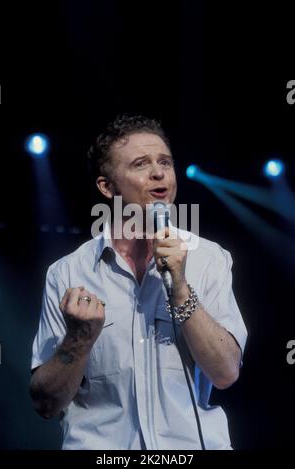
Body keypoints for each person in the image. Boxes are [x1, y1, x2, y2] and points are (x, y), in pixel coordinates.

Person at [30, 114, 247, 450]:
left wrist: (180, 288)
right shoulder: (68, 273)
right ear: (107, 186)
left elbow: (226, 372)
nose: (159, 173)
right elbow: (46, 403)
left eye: (165, 162)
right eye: (141, 164)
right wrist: (79, 339)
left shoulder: (210, 259)